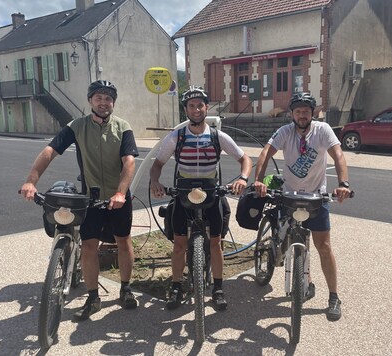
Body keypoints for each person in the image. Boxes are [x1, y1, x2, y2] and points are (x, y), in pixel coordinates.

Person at [20, 80, 139, 321]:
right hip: (91, 198)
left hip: (118, 197)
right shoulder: (77, 126)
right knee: (88, 246)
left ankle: (125, 288)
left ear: (113, 102)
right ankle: (93, 297)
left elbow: (129, 161)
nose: (103, 102)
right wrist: (31, 181)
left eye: (108, 98)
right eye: (98, 98)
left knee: (123, 242)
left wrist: (120, 192)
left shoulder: (122, 127)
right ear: (90, 101)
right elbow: (49, 151)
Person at [150, 86, 252, 311]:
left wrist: (243, 179)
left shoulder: (217, 135)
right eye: (191, 106)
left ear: (207, 108)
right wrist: (155, 182)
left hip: (211, 193)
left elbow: (245, 159)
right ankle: (176, 287)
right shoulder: (177, 136)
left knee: (216, 244)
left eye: (200, 105)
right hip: (183, 193)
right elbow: (157, 165)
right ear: (185, 109)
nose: (196, 109)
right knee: (179, 245)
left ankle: (218, 288)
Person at [253, 92, 352, 321]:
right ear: (292, 114)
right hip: (289, 195)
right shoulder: (285, 131)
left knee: (324, 246)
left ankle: (334, 297)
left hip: (316, 197)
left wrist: (343, 184)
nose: (302, 115)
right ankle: (275, 246)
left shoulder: (323, 130)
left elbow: (338, 156)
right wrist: (258, 179)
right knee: (284, 235)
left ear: (312, 113)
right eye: (297, 111)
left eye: (306, 111)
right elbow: (266, 152)